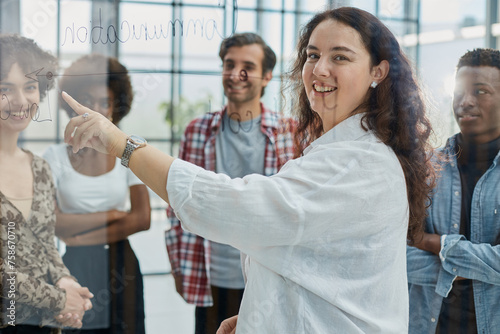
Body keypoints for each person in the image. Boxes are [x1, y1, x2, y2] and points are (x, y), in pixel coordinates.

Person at [61, 6, 436, 333]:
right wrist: (259, 313)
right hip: (221, 282)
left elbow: (241, 208)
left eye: (340, 57)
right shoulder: (330, 149)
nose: (319, 69)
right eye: (312, 55)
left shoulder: (358, 162)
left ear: (378, 71)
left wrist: (122, 144)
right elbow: (312, 258)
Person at [164, 32, 295, 334]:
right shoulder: (197, 130)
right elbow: (177, 203)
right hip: (211, 274)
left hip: (268, 276)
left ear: (267, 76)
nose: (236, 74)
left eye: (248, 66)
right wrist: (178, 265)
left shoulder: (289, 131)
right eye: (229, 64)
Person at [43, 54, 151, 334]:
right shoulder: (54, 157)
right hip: (76, 267)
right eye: (88, 100)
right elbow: (55, 222)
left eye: (105, 102)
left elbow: (141, 219)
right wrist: (114, 215)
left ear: (116, 108)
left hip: (122, 265)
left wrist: (79, 238)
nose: (96, 109)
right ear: (74, 105)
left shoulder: (130, 150)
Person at [0, 34, 92, 332]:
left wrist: (67, 281)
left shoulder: (39, 167)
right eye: (6, 89)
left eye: (30, 87)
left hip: (42, 325)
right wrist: (60, 299)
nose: (20, 101)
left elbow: (46, 245)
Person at [407, 48, 500, 334]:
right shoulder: (423, 168)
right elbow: (395, 256)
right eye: (459, 91)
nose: (465, 102)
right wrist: (476, 266)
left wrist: (438, 244)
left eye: (481, 91)